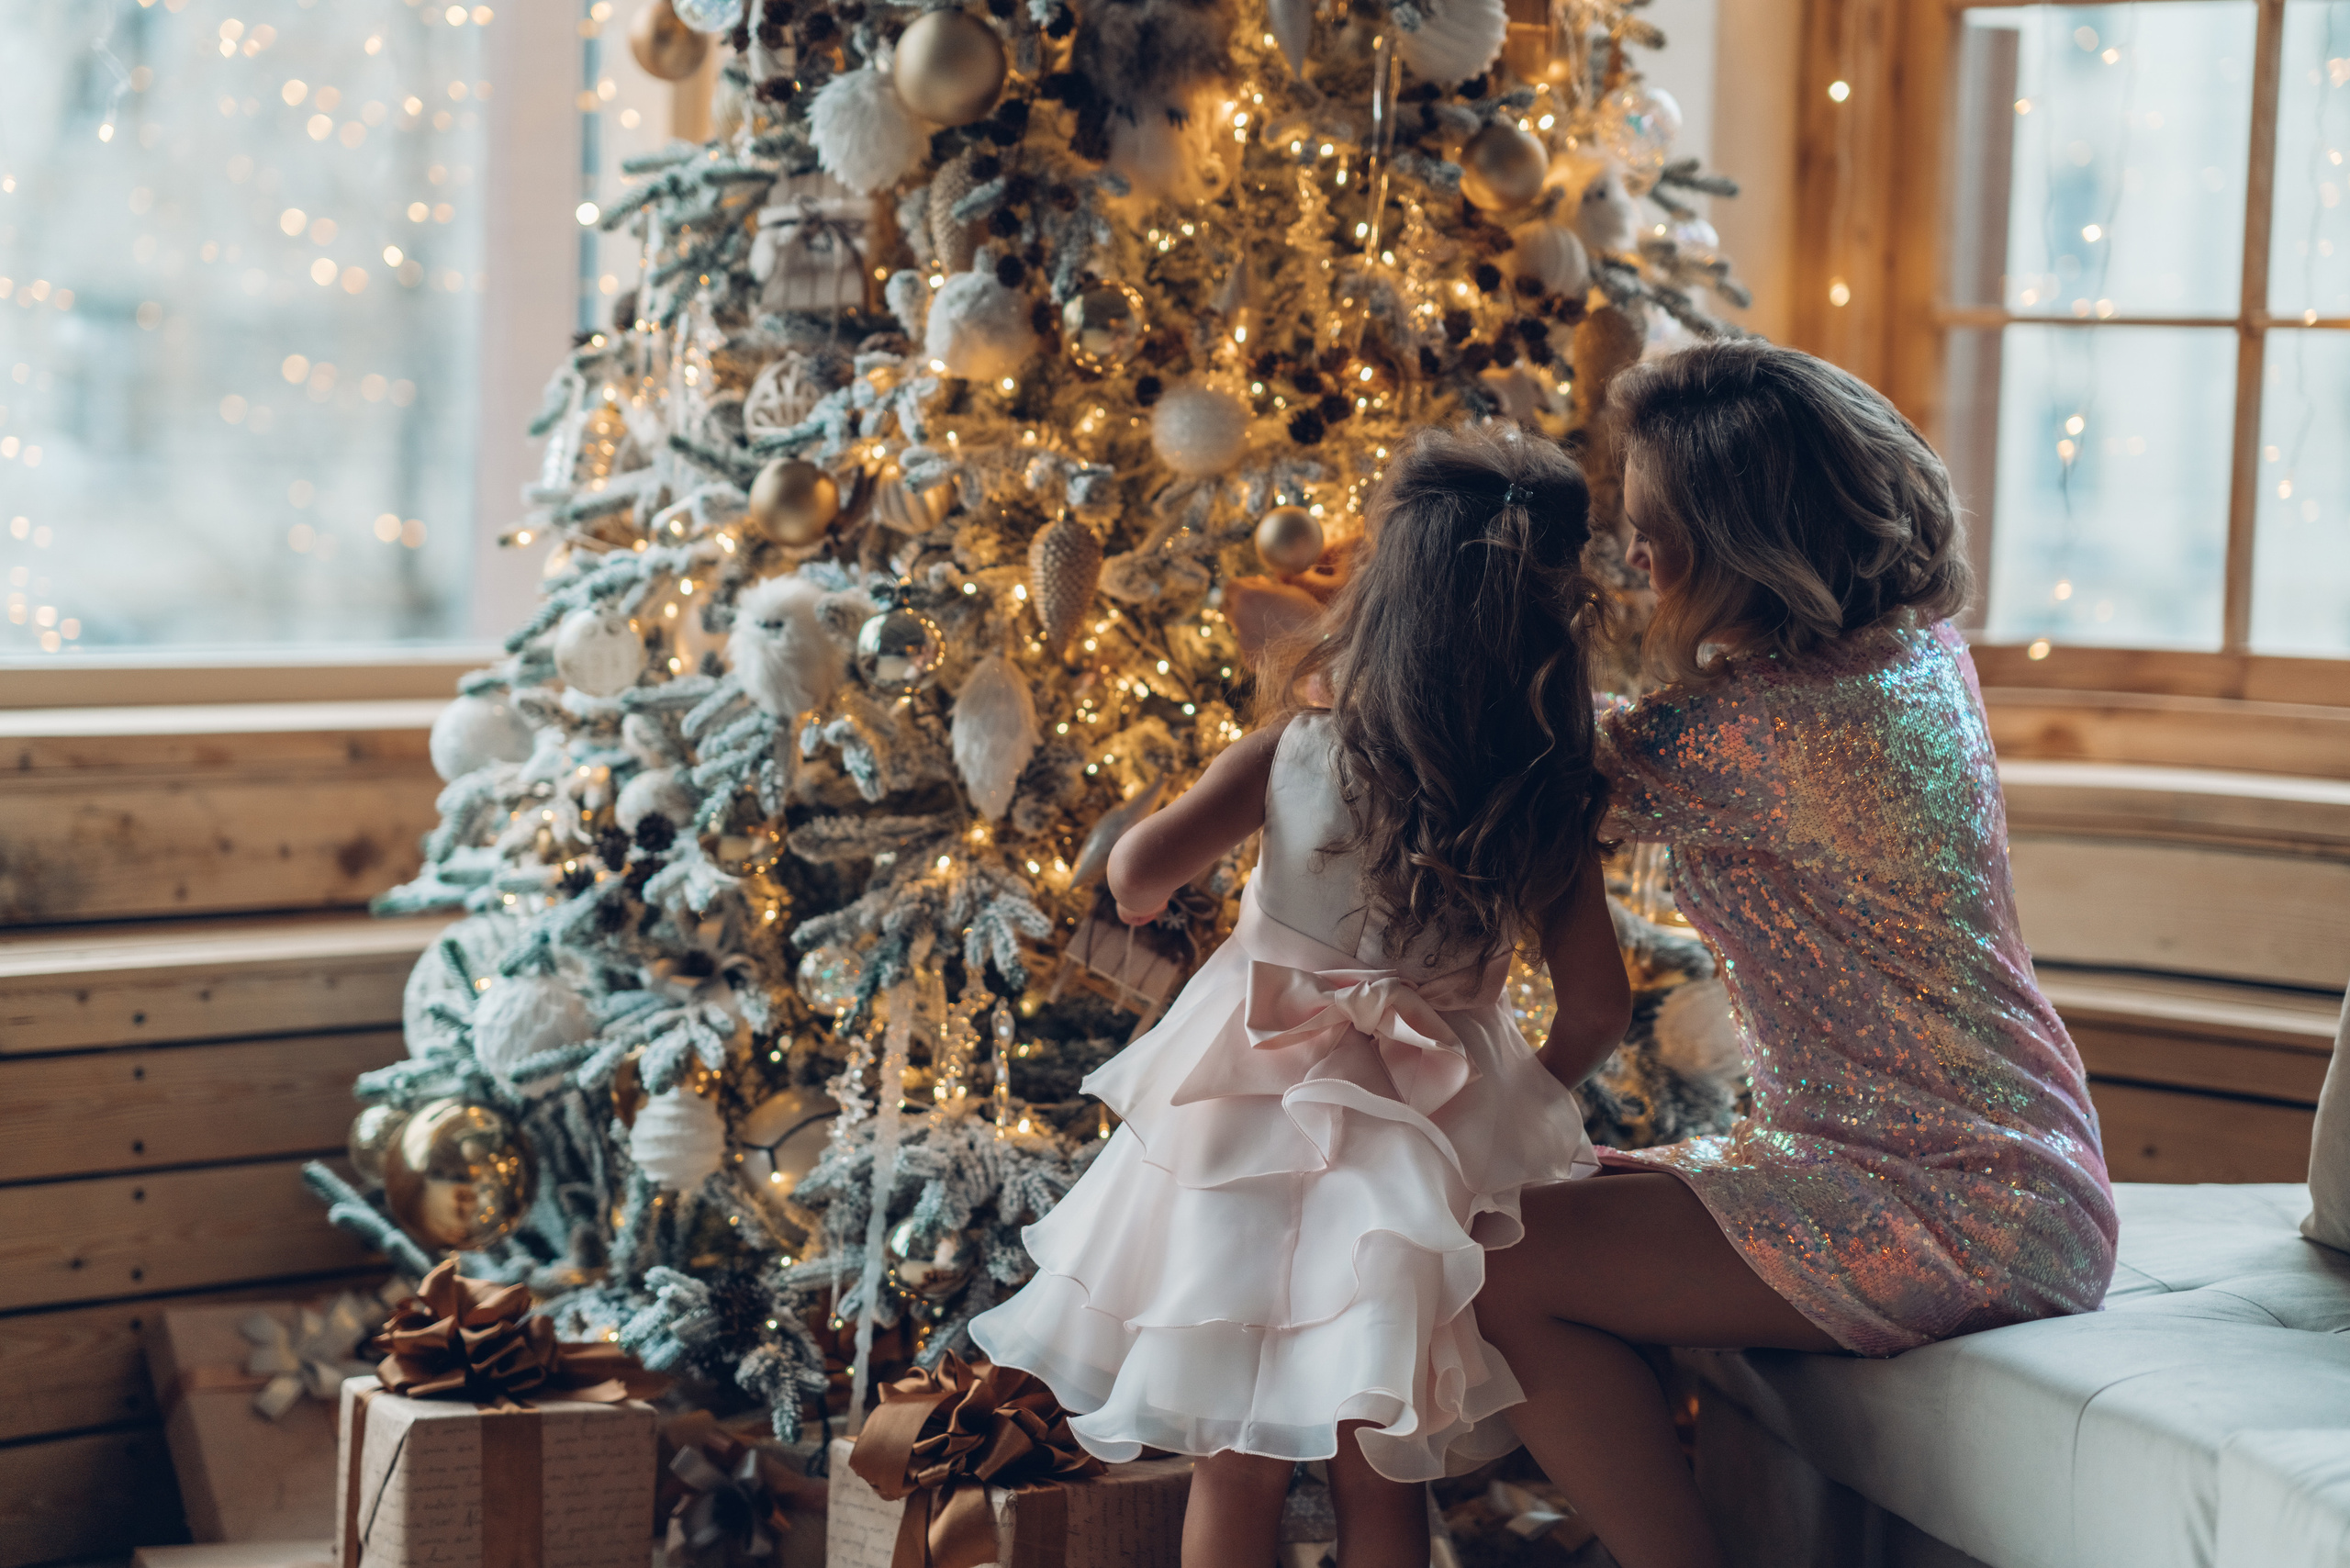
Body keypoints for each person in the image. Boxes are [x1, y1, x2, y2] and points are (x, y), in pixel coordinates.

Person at [1475, 340, 2120, 1568]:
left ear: (1741, 537)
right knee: (1539, 1205)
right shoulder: (1917, 660)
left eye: (1654, 525)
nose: (1635, 556)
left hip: (1941, 1203)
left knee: (1491, 1268)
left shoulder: (1731, 736)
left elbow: (1516, 772)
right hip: (2004, 1169)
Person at [970, 429, 1632, 1568]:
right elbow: (1596, 1011)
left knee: (1234, 1469)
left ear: (1388, 594)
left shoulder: (1293, 752)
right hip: (1419, 1151)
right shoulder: (1550, 798)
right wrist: (1509, 1100)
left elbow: (1134, 878)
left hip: (1242, 1125)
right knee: (1380, 1467)